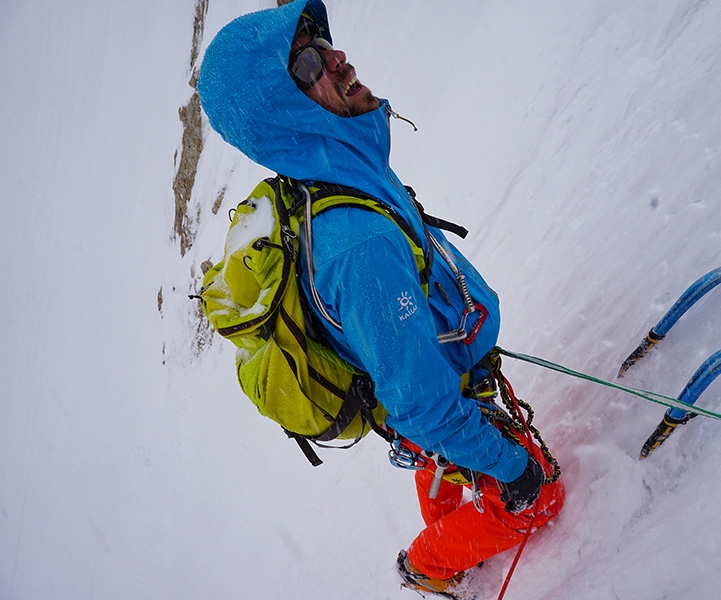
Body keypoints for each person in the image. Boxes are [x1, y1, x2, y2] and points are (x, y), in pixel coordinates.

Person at [197, 1, 564, 596]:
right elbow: (424, 406)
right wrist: (511, 467)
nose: (339, 58)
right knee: (537, 496)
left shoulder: (334, 174)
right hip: (434, 404)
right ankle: (428, 566)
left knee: (438, 452)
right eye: (309, 61)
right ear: (281, 110)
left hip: (431, 396)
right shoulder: (357, 246)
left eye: (324, 42)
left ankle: (447, 525)